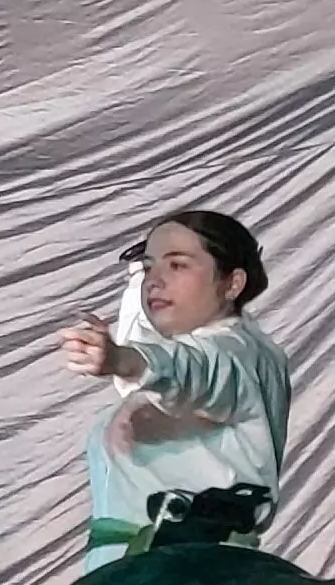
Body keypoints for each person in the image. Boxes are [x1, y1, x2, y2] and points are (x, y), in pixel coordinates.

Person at [56, 209, 289, 564]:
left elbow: (197, 370)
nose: (154, 281)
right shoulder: (230, 347)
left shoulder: (234, 353)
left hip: (179, 579)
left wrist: (123, 360)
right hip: (157, 575)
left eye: (177, 265)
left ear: (232, 283)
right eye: (148, 267)